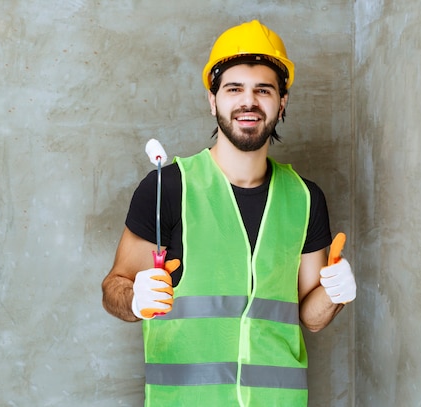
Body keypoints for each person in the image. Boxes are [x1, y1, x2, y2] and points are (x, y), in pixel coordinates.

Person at [101, 20, 356, 407]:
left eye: (263, 90)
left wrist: (335, 293)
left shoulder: (305, 198)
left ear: (282, 102)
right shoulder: (169, 188)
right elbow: (113, 287)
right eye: (234, 89)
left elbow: (312, 315)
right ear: (213, 99)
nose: (248, 102)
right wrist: (134, 297)